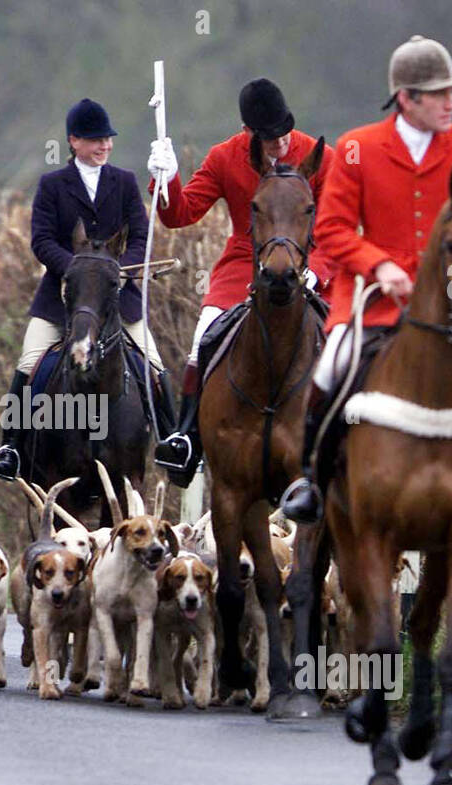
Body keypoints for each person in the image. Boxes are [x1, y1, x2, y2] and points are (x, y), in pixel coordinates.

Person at [279, 35, 452, 525]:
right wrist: (378, 265)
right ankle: (310, 484)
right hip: (372, 297)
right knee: (328, 374)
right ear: (407, 99)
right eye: (440, 93)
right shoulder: (357, 147)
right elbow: (331, 229)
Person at [147, 79, 335, 486]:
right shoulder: (223, 158)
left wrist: (316, 271)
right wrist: (167, 178)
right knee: (203, 338)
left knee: (351, 343)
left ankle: (351, 435)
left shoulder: (320, 158)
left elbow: (338, 228)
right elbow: (179, 214)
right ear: (248, 133)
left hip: (312, 266)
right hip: (244, 269)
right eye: (269, 139)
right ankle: (187, 438)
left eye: (284, 132)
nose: (281, 144)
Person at [0, 98, 174, 481]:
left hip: (118, 298)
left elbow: (141, 235)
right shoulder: (53, 185)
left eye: (108, 139)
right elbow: (40, 240)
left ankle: (173, 440)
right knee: (30, 363)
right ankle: (11, 446)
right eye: (95, 140)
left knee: (153, 364)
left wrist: (117, 271)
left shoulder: (123, 181)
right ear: (73, 141)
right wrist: (74, 270)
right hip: (62, 299)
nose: (104, 146)